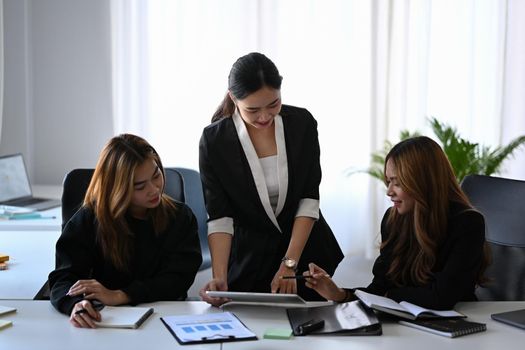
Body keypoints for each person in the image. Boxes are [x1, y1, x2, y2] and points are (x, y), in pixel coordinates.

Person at [199, 52, 343, 306]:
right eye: (252, 110)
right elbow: (220, 217)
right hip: (250, 258)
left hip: (304, 250)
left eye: (273, 104)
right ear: (233, 97)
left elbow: (309, 200)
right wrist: (219, 277)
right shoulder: (215, 141)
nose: (264, 117)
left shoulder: (302, 124)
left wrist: (289, 263)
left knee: (311, 331)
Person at [305, 136, 490, 310]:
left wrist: (388, 295)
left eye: (397, 183)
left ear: (423, 182)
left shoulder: (468, 223)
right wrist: (339, 294)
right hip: (410, 323)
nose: (389, 191)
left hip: (457, 327)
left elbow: (442, 298)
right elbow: (379, 289)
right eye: (388, 181)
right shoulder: (393, 219)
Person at [49, 134, 202, 328]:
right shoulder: (89, 219)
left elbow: (177, 280)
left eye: (156, 175)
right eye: (139, 186)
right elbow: (63, 278)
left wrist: (121, 296)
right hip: (105, 321)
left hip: (166, 317)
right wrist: (75, 304)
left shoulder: (180, 217)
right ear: (117, 188)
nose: (154, 189)